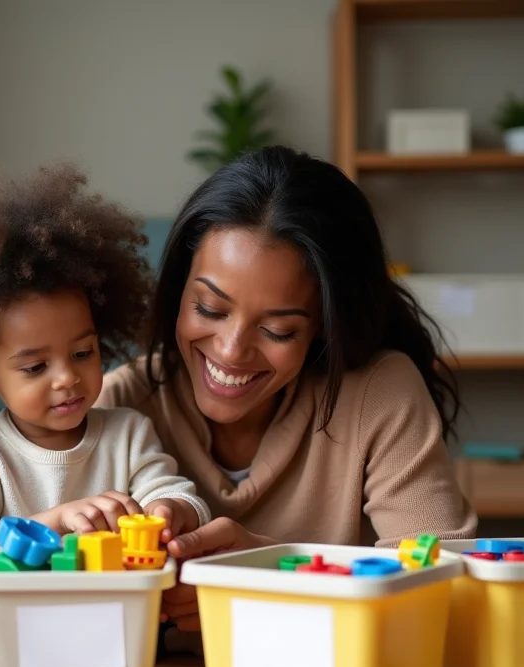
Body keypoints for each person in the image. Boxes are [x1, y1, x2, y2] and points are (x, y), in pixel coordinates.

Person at [97, 145, 478, 636]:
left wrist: (274, 572)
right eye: (209, 309)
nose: (232, 351)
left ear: (325, 325)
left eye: (278, 330)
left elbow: (447, 585)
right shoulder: (118, 404)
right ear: (176, 291)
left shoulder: (377, 393)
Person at [0, 164, 211, 656]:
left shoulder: (128, 432)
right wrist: (48, 525)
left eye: (83, 354)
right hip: (19, 630)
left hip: (119, 629)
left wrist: (169, 511)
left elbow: (178, 495)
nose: (66, 378)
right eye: (34, 367)